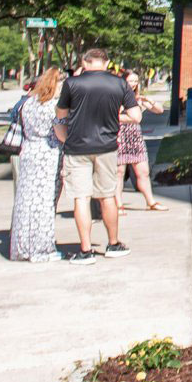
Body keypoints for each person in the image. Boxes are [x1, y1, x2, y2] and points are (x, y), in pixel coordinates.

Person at [54, 48, 141, 260]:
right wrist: (115, 118)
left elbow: (60, 115)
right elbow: (136, 115)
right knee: (107, 196)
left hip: (77, 148)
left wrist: (66, 136)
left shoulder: (72, 84)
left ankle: (85, 250)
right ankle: (113, 244)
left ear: (84, 62)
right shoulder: (119, 83)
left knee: (81, 198)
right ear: (107, 62)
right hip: (107, 147)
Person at [8, 66, 66, 263]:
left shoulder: (28, 104)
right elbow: (60, 134)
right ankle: (42, 248)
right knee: (45, 203)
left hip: (29, 151)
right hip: (48, 155)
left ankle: (23, 246)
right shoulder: (53, 107)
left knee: (26, 201)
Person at [117, 68, 168, 212]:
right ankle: (118, 205)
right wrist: (129, 118)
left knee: (143, 172)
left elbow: (159, 110)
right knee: (119, 173)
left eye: (135, 81)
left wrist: (149, 100)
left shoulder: (138, 98)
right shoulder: (116, 97)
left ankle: (150, 202)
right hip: (119, 137)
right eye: (130, 81)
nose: (133, 84)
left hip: (135, 138)